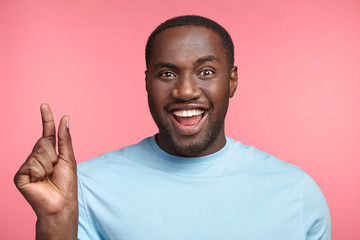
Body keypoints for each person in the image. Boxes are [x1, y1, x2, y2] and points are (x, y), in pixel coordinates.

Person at [14, 15, 331, 240]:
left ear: (232, 81)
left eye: (206, 72)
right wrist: (56, 222)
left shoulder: (296, 191)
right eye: (167, 74)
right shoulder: (85, 187)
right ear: (147, 82)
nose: (185, 91)